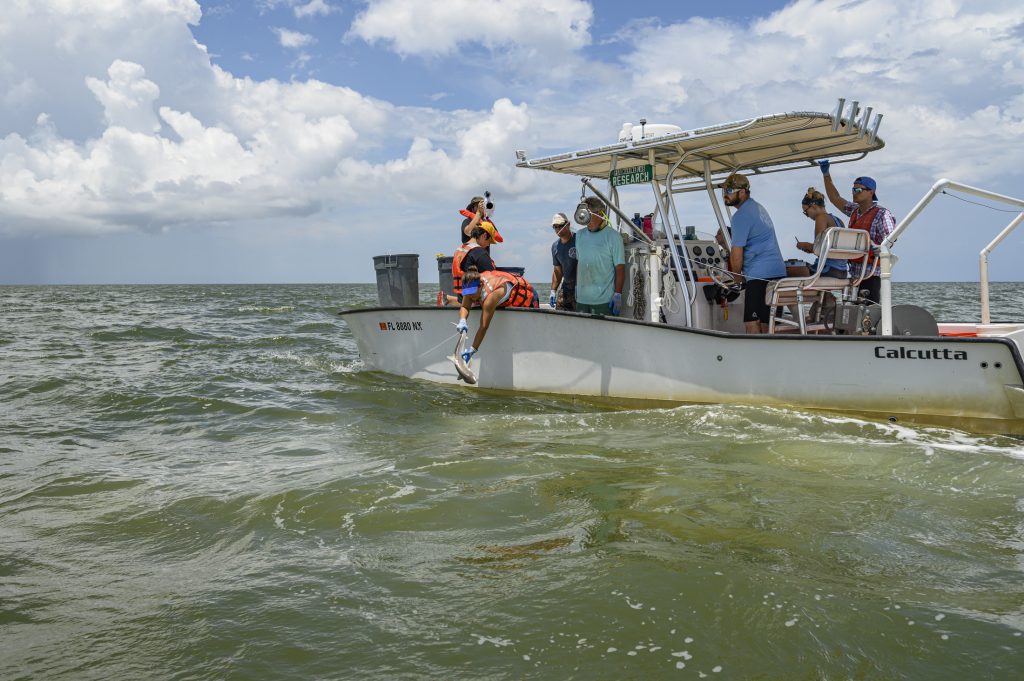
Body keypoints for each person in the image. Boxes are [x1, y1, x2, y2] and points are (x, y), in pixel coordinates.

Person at [817, 160, 897, 303]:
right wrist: (826, 174)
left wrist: (879, 247)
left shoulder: (882, 214)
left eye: (859, 190)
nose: (855, 192)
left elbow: (891, 239)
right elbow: (835, 198)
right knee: (851, 310)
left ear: (871, 192)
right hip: (854, 273)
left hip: (872, 274)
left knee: (869, 311)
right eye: (853, 189)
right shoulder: (854, 210)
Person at [720, 172, 786, 333]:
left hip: (759, 276)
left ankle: (753, 350)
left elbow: (737, 252)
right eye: (724, 191)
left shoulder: (740, 216)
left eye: (729, 190)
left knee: (752, 322)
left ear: (742, 192)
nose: (725, 194)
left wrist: (737, 278)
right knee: (767, 323)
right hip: (778, 274)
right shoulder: (758, 208)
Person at [455, 266, 538, 364]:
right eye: (467, 293)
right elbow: (465, 307)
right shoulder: (470, 285)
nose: (470, 296)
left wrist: (473, 349)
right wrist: (462, 320)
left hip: (529, 297)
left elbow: (483, 327)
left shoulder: (490, 297)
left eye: (472, 292)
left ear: (480, 285)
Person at [574, 196, 624, 316]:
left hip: (604, 301)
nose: (587, 221)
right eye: (585, 217)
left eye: (590, 216)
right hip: (581, 300)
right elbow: (580, 263)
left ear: (601, 214)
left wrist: (618, 294)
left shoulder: (614, 237)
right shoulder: (579, 235)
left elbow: (620, 268)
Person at [795, 187, 847, 279]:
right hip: (842, 271)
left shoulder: (821, 218)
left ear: (813, 206)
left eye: (806, 212)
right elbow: (828, 249)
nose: (807, 216)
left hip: (827, 270)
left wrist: (803, 245)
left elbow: (818, 248)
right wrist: (811, 249)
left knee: (788, 269)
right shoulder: (838, 220)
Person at [448, 219, 502, 304]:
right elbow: (493, 276)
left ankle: (449, 299)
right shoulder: (479, 252)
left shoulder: (460, 249)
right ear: (484, 235)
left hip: (462, 296)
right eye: (489, 241)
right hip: (475, 298)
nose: (488, 245)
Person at [549, 212, 577, 310]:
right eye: (555, 227)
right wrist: (553, 291)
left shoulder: (579, 240)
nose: (558, 229)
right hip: (566, 288)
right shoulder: (555, 247)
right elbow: (557, 271)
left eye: (560, 225)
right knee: (560, 314)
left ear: (568, 224)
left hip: (582, 289)